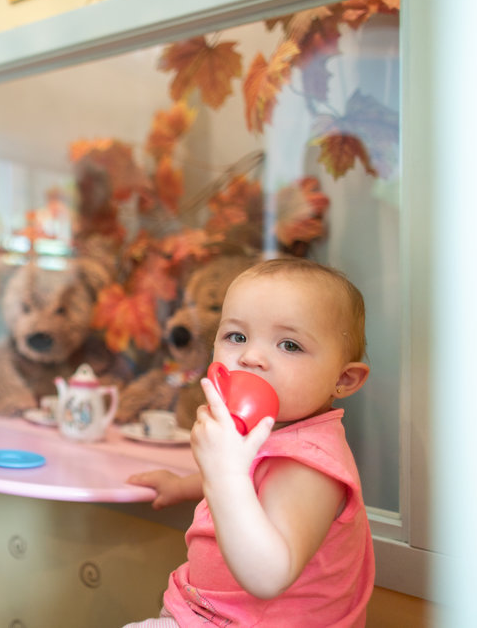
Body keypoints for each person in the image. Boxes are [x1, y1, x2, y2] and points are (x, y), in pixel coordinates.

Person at [124, 258, 374, 627]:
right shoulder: (270, 432)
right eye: (236, 337)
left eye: (289, 345)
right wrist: (183, 486)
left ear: (345, 379)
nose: (250, 356)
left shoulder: (309, 463)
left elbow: (268, 576)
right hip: (205, 612)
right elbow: (255, 477)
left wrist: (221, 472)